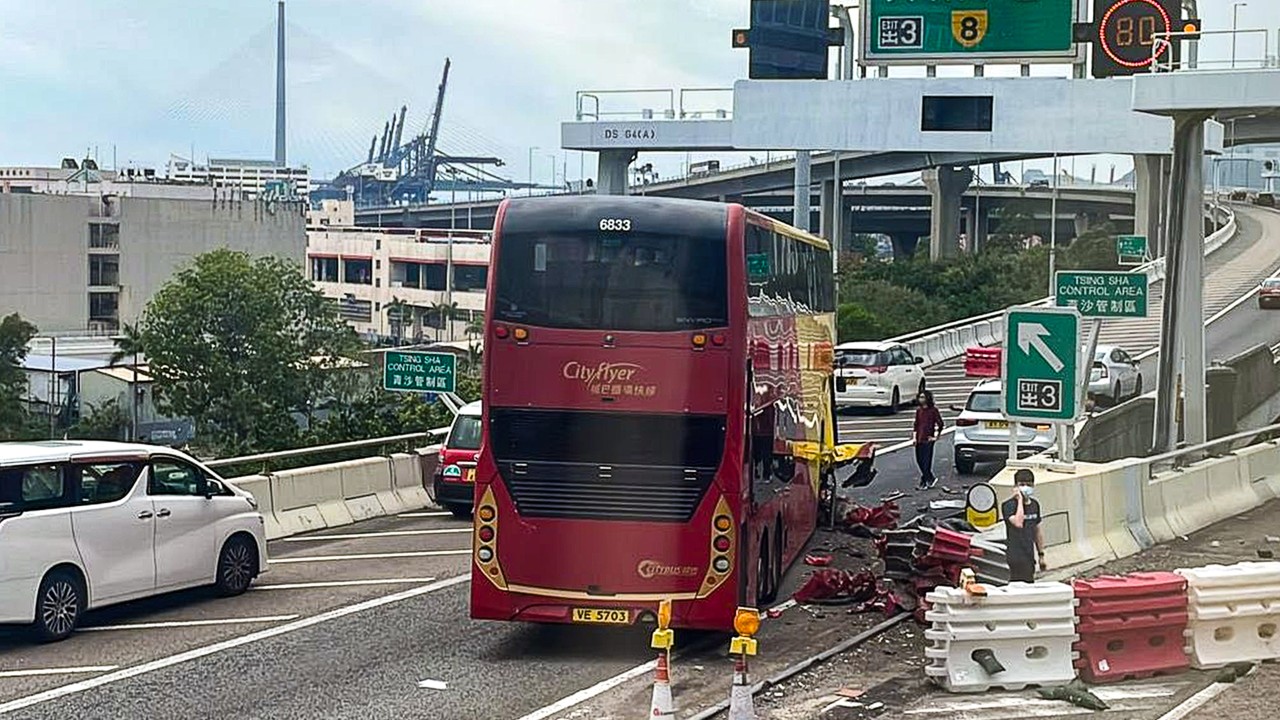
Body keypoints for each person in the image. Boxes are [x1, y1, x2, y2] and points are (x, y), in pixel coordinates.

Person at [1002, 468, 1047, 583]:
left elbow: (1037, 531)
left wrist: (1041, 555)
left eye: (1029, 485)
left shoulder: (1035, 505)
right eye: (1022, 484)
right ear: (1016, 486)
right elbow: (1018, 523)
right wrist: (1020, 501)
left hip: (1029, 557)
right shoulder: (1008, 506)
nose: (1025, 487)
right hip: (1014, 557)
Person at [913, 390, 944, 490]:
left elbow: (940, 424)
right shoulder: (919, 411)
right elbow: (916, 425)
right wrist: (914, 438)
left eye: (923, 397)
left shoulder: (933, 410)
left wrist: (936, 437)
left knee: (926, 461)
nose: (921, 399)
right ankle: (929, 478)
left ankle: (924, 481)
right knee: (919, 460)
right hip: (919, 439)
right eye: (920, 397)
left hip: (928, 440)